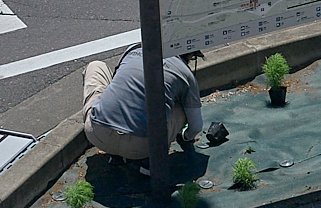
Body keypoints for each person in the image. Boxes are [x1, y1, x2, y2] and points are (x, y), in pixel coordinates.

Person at [81, 46, 223, 169]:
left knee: (96, 66)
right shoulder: (185, 74)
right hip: (144, 147)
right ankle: (149, 163)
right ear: (189, 54)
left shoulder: (134, 50)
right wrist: (185, 136)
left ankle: (115, 154)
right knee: (184, 105)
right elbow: (196, 127)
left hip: (98, 134)